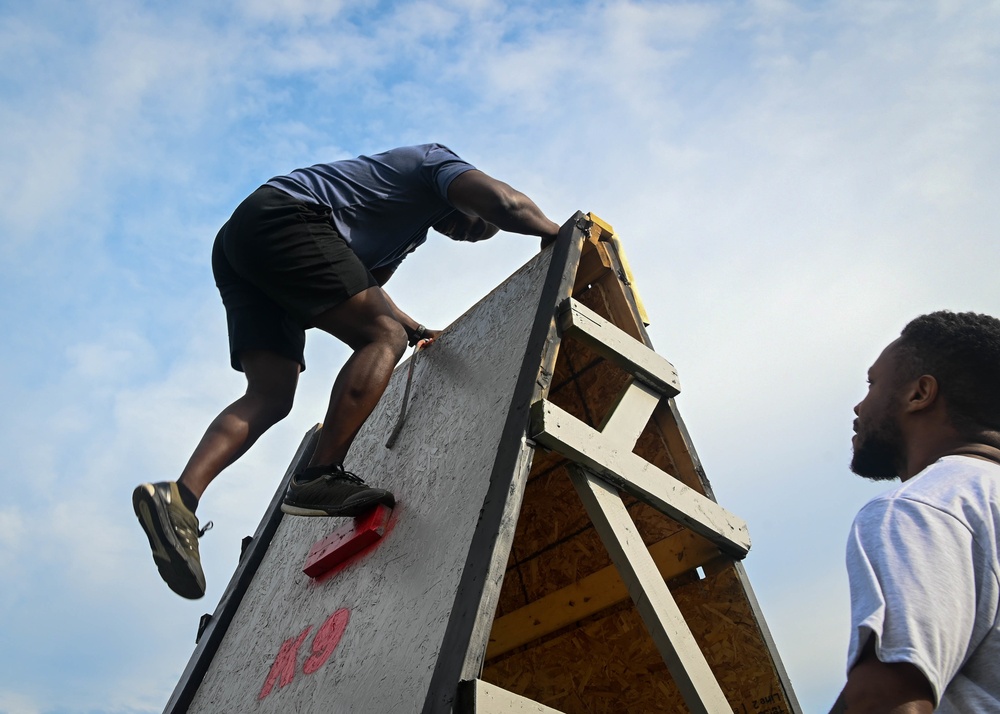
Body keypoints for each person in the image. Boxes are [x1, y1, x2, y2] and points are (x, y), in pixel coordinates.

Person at [132, 144, 561, 599]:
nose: (465, 232)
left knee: (271, 394)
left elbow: (364, 288)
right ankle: (320, 475)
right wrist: (561, 232)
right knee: (382, 339)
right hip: (286, 216)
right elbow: (507, 204)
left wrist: (414, 330)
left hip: (244, 244)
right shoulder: (436, 162)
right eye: (474, 224)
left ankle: (179, 499)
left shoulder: (405, 233)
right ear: (467, 194)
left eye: (470, 238)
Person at [830, 311, 1000, 713]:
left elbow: (887, 702)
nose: (859, 405)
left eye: (872, 384)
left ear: (920, 393)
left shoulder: (925, 508)